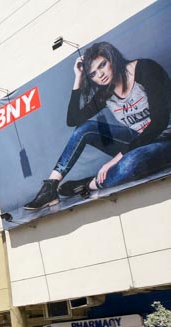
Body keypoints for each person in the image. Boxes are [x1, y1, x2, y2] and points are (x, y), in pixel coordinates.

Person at [24, 42, 171, 210]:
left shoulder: (145, 69)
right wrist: (78, 78)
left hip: (167, 140)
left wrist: (116, 159)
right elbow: (73, 120)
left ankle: (89, 184)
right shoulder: (106, 92)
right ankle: (49, 188)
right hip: (140, 140)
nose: (100, 75)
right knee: (84, 129)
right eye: (93, 74)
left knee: (130, 162)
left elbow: (159, 123)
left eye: (103, 65)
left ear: (112, 58)